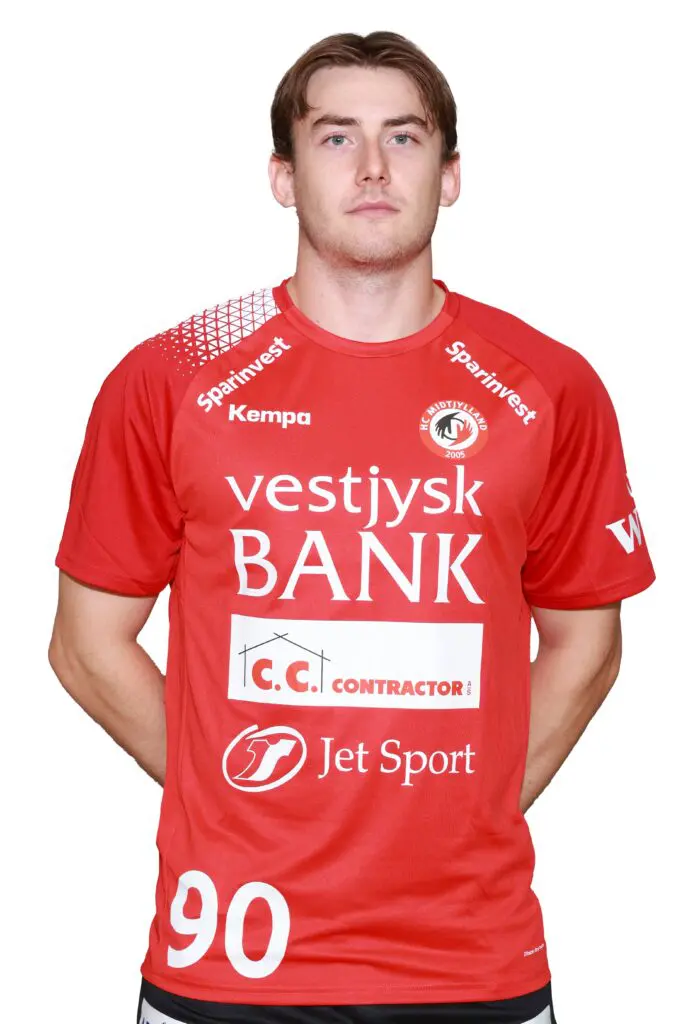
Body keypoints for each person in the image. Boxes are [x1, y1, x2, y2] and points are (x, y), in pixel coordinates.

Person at [48, 30, 655, 1024]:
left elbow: (585, 644)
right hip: (227, 959)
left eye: (403, 137)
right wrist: (232, 801)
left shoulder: (548, 384)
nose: (372, 167)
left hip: (471, 959)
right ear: (282, 177)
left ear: (448, 175)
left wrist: (461, 813)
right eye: (335, 138)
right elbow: (85, 645)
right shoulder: (170, 377)